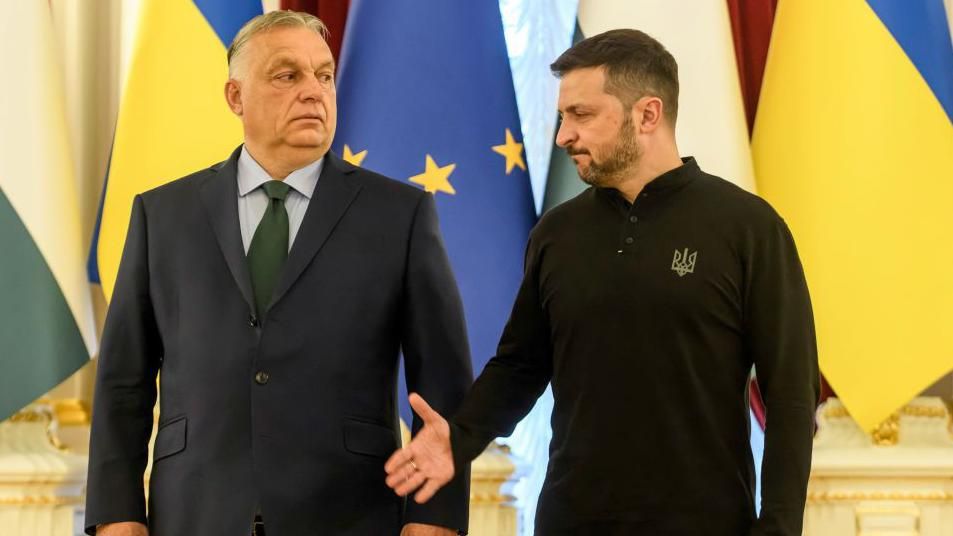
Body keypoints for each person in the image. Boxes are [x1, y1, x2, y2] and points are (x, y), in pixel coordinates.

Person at [386, 29, 820, 536]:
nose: (563, 135)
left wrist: (782, 524)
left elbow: (790, 392)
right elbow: (520, 367)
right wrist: (459, 438)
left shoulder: (749, 228)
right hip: (570, 522)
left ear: (648, 115)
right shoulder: (556, 233)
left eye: (582, 115)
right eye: (564, 115)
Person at [85, 11, 471, 536]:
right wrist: (116, 514)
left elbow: (443, 385)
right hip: (196, 513)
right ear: (235, 97)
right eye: (288, 75)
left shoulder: (400, 214)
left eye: (324, 75)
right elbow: (122, 384)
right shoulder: (163, 214)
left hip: (350, 514)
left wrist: (436, 520)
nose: (314, 91)